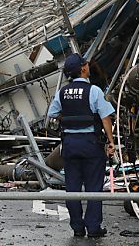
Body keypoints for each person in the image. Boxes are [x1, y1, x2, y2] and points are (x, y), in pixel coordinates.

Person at [47, 53, 115, 238]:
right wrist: (110, 141)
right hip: (91, 144)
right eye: (85, 65)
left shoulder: (62, 92)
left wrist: (68, 118)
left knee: (73, 187)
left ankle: (77, 227)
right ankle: (93, 227)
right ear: (83, 68)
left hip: (69, 145)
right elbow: (105, 118)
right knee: (94, 186)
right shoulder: (94, 91)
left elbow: (52, 113)